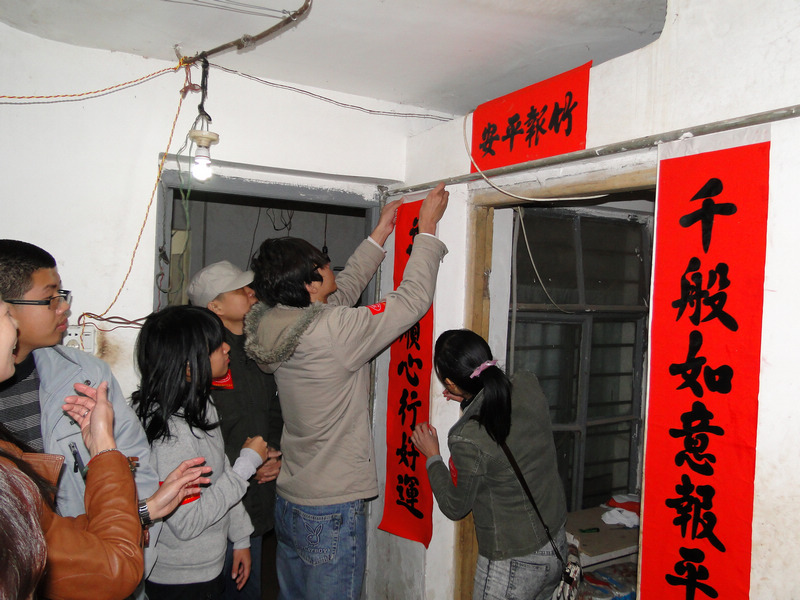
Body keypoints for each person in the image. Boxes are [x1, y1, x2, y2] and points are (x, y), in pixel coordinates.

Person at [244, 182, 449, 600]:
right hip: (330, 507)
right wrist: (427, 230)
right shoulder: (332, 331)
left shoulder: (278, 322)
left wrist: (380, 235)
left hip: (292, 498)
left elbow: (345, 288)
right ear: (310, 284)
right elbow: (410, 301)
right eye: (322, 264)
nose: (329, 265)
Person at [0, 294, 213, 600]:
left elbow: (55, 539)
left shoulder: (84, 371)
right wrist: (103, 448)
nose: (15, 326)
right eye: (6, 315)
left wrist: (144, 510)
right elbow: (112, 569)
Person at [0, 240, 165, 580]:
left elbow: (135, 459)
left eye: (63, 295)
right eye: (50, 298)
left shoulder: (84, 375)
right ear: (6, 310)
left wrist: (133, 520)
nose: (64, 308)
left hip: (88, 562)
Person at [410, 329, 568, 600]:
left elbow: (455, 506)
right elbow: (504, 425)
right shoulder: (527, 384)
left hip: (513, 563)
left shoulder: (467, 438)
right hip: (556, 544)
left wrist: (432, 456)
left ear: (450, 384)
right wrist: (471, 399)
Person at [132, 305, 270, 600]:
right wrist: (247, 464)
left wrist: (241, 537)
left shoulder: (199, 402)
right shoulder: (173, 432)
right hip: (181, 578)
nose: (226, 348)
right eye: (216, 346)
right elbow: (187, 522)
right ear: (187, 364)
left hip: (209, 564)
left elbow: (219, 472)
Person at [187, 261, 283, 600]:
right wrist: (247, 463)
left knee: (246, 586)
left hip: (254, 495)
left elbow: (275, 408)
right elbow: (198, 435)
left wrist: (271, 453)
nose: (251, 292)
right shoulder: (203, 359)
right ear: (215, 306)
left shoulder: (259, 347)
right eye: (240, 289)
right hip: (214, 497)